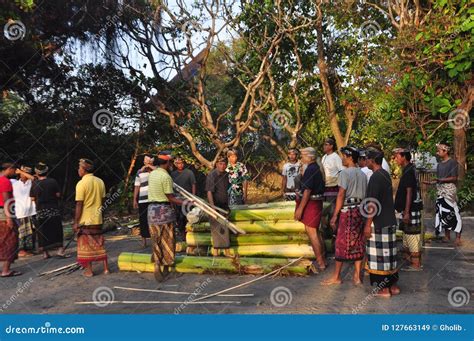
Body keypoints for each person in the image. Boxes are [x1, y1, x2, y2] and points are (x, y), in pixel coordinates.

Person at [323, 145, 367, 286]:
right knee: (358, 242)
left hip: (347, 211)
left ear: (349, 157)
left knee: (341, 242)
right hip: (360, 211)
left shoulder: (344, 173)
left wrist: (335, 215)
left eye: (343, 156)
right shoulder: (362, 174)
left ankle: (336, 276)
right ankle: (357, 276)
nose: (342, 158)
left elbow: (341, 195)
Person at [363, 148, 400, 297]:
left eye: (367, 159)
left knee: (379, 257)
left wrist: (367, 225)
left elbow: (372, 204)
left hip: (379, 223)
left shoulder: (375, 177)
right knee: (390, 256)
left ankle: (384, 289)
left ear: (372, 161)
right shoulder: (385, 174)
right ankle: (393, 287)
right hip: (389, 221)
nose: (365, 162)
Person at [148, 153, 184, 282]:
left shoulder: (152, 174)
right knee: (168, 239)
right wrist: (186, 202)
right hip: (164, 211)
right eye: (170, 163)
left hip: (152, 211)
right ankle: (167, 268)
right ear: (167, 163)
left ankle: (157, 264)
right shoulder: (166, 177)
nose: (171, 165)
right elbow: (170, 198)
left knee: (156, 239)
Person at [74, 159, 108, 277]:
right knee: (99, 243)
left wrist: (76, 222)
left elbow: (79, 204)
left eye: (79, 168)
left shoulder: (81, 184)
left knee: (86, 246)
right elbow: (103, 202)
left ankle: (89, 270)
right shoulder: (100, 182)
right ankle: (106, 268)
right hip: (97, 218)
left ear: (84, 170)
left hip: (86, 220)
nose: (78, 170)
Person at [294, 147, 326, 273]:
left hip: (311, 203)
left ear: (309, 156)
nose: (301, 158)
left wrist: (300, 209)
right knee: (316, 232)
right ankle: (323, 259)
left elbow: (307, 191)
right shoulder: (316, 168)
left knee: (312, 233)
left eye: (302, 156)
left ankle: (321, 262)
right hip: (316, 202)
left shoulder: (311, 169)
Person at [423, 143, 462, 246]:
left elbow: (454, 178)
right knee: (443, 212)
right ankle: (447, 235)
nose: (438, 152)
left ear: (446, 151)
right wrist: (431, 183)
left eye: (440, 150)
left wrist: (440, 179)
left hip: (449, 190)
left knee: (453, 211)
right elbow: (439, 180)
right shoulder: (439, 164)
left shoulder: (452, 162)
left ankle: (458, 237)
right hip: (441, 190)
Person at [393, 147, 423, 271]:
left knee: (412, 235)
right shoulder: (409, 169)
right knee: (407, 234)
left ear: (404, 156)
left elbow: (409, 192)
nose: (395, 159)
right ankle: (409, 260)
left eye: (397, 156)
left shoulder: (409, 171)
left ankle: (415, 264)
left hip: (411, 210)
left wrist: (406, 212)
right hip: (408, 209)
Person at [30, 162, 67, 260]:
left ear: (37, 173)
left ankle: (45, 253)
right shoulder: (52, 181)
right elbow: (58, 195)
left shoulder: (34, 184)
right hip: (53, 208)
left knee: (43, 231)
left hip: (40, 210)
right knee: (56, 229)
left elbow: (32, 198)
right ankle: (60, 250)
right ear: (47, 172)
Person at [205, 156, 231, 256]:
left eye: (224, 164)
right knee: (216, 228)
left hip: (224, 205)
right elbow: (209, 192)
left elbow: (226, 190)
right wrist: (213, 208)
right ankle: (215, 251)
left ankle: (226, 251)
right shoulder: (212, 175)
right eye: (220, 164)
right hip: (215, 205)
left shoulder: (226, 175)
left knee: (225, 227)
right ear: (216, 164)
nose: (222, 166)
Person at [0, 162, 21, 277]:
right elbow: (6, 200)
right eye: (14, 170)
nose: (15, 172)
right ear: (9, 169)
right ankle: (6, 270)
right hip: (5, 213)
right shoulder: (5, 181)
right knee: (10, 241)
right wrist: (9, 218)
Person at [171, 157, 197, 241]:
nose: (180, 165)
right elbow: (171, 187)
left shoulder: (189, 173)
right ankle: (182, 235)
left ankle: (189, 234)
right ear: (175, 164)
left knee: (188, 216)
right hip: (177, 199)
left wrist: (193, 196)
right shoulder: (173, 174)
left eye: (181, 163)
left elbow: (193, 184)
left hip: (187, 198)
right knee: (179, 217)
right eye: (178, 163)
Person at [13, 166, 36, 257]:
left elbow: (34, 178)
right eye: (23, 173)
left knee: (31, 232)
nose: (24, 175)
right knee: (22, 233)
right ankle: (21, 250)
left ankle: (29, 249)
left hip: (31, 211)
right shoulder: (14, 183)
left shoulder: (31, 182)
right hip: (20, 212)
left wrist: (21, 171)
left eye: (26, 173)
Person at [133, 155, 155, 247]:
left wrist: (150, 167)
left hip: (154, 199)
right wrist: (135, 199)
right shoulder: (139, 172)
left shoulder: (156, 170)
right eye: (146, 162)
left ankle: (155, 240)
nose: (147, 163)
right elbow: (137, 186)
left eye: (149, 161)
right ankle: (144, 241)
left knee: (154, 220)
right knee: (143, 220)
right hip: (142, 200)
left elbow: (158, 171)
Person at [321, 138, 343, 215]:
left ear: (331, 146)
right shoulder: (324, 157)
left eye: (326, 145)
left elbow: (341, 171)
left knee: (331, 209)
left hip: (333, 187)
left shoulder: (336, 157)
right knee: (324, 209)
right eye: (324, 144)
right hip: (324, 186)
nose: (324, 146)